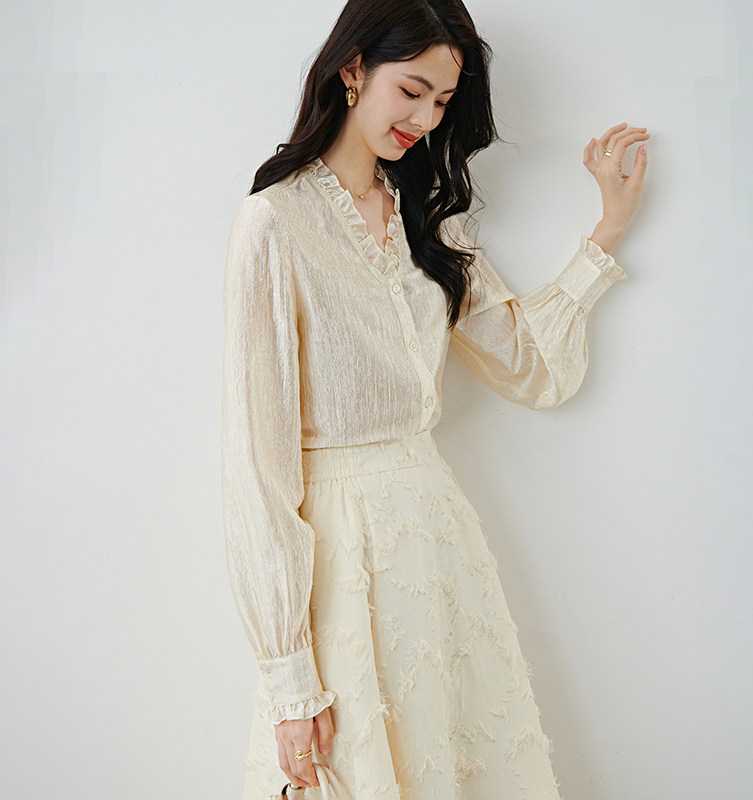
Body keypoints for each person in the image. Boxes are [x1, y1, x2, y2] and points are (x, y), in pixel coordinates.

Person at [221, 1, 648, 797]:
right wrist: (288, 678)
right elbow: (257, 471)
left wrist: (608, 231)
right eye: (412, 91)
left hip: (437, 544)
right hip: (340, 563)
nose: (425, 120)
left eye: (443, 102)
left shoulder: (430, 222)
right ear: (353, 70)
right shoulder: (275, 223)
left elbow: (529, 365)